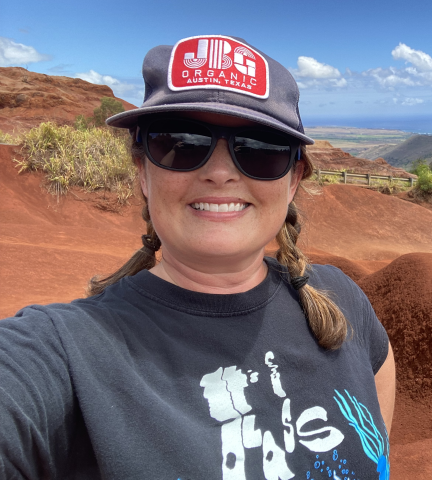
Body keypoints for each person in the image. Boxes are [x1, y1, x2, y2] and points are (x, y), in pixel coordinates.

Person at [0, 35, 395, 480]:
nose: (220, 171)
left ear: (293, 181)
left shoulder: (340, 296)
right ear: (143, 172)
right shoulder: (65, 354)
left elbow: (377, 406)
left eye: (259, 148)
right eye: (182, 143)